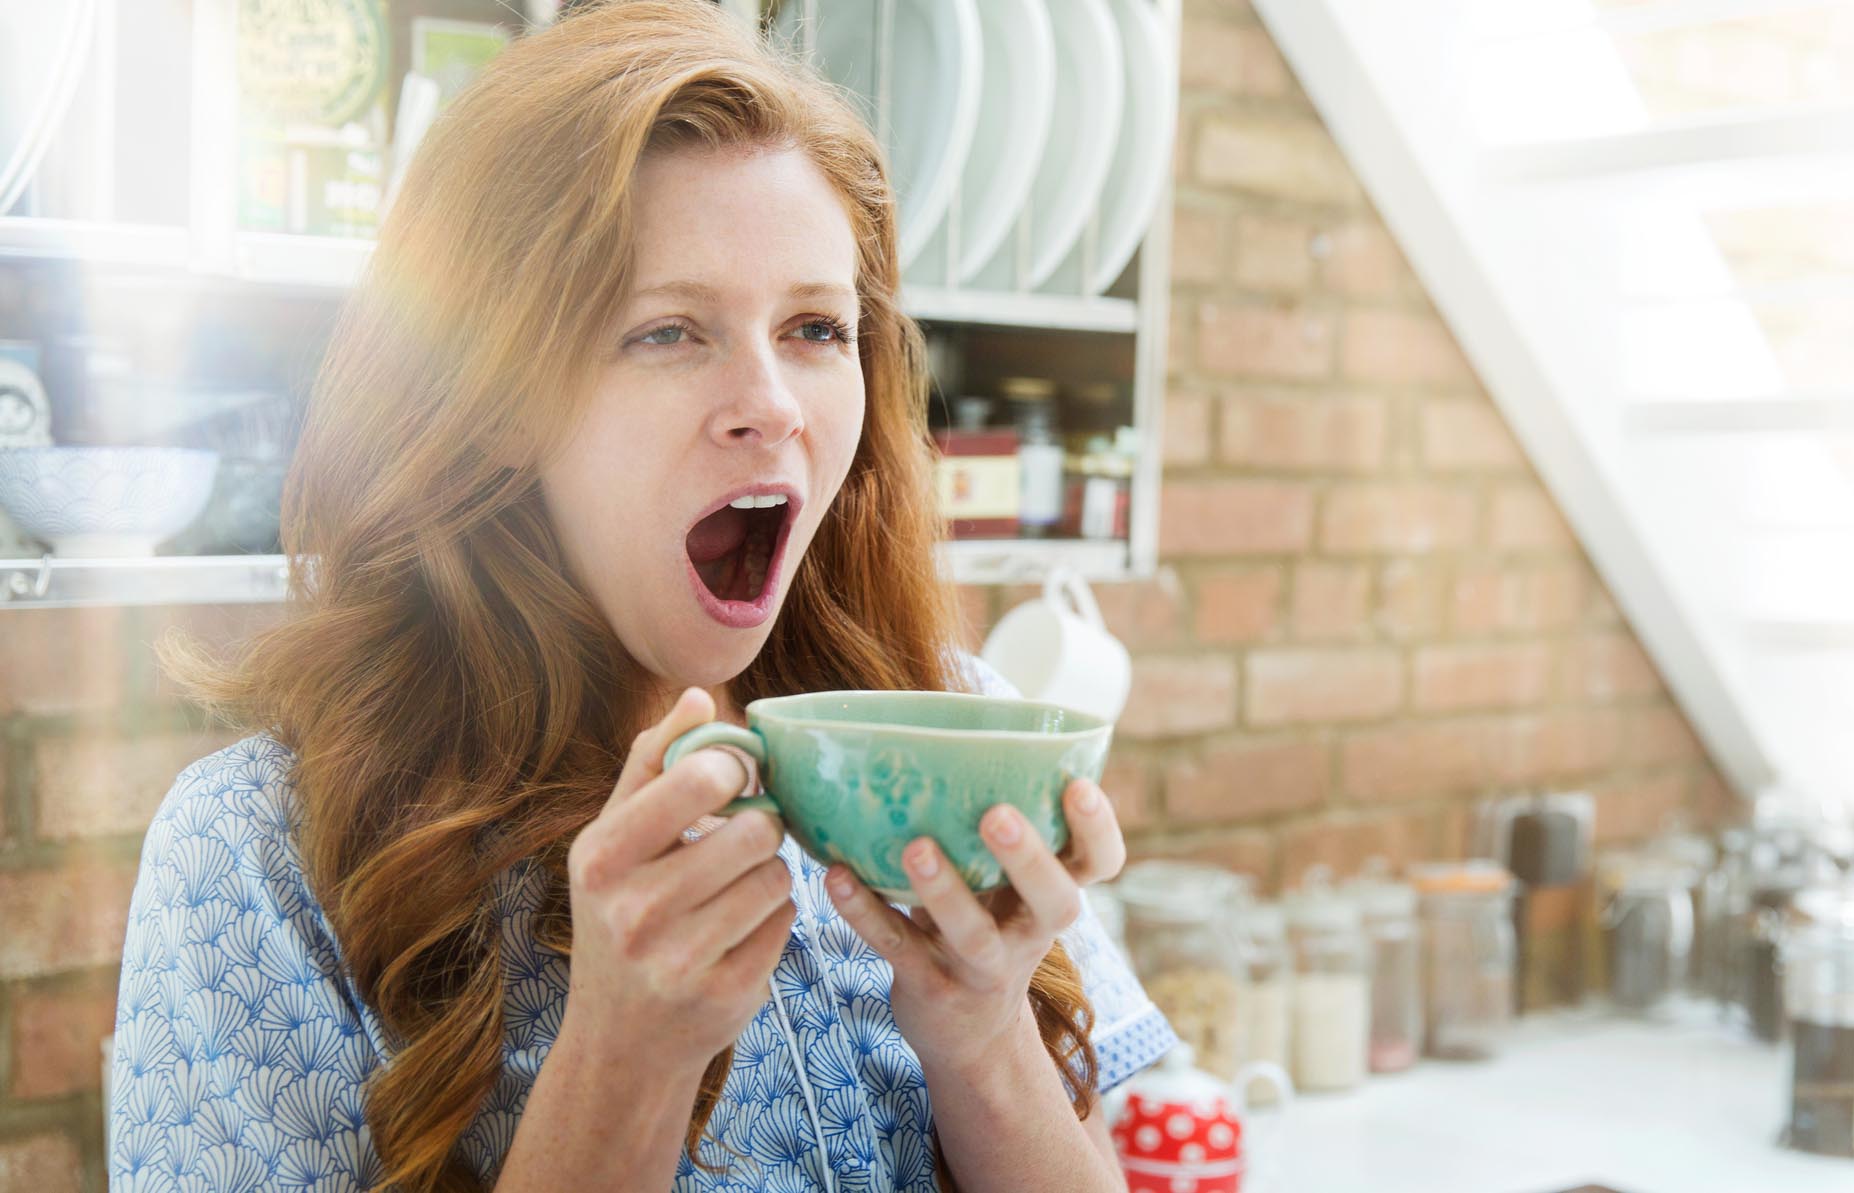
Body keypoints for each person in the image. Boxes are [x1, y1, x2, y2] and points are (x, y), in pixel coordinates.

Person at [106, 3, 1173, 1189]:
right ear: (498, 397)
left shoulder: (948, 726)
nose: (771, 401)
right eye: (668, 330)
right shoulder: (258, 851)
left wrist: (987, 1036)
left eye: (817, 327)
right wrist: (621, 1060)